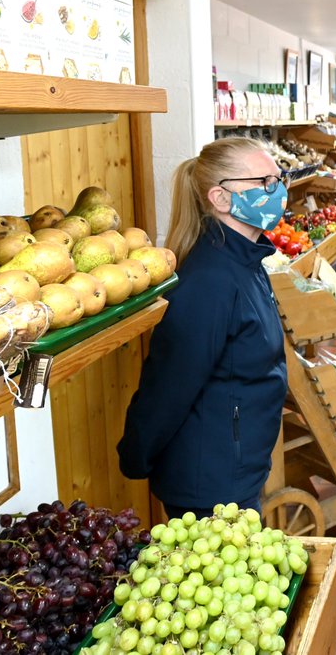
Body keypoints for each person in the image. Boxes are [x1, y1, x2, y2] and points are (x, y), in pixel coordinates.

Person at [117, 137, 289, 521]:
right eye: (266, 183)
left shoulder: (246, 262)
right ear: (221, 199)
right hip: (208, 486)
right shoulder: (209, 281)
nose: (279, 193)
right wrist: (136, 455)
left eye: (280, 180)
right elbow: (170, 385)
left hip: (235, 470)